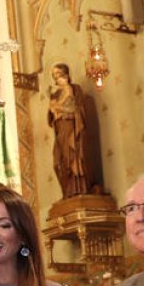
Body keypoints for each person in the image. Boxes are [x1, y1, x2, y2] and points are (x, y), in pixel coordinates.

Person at [47, 63, 102, 198]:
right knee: (59, 161)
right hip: (60, 129)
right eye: (54, 76)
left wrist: (59, 108)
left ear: (66, 75)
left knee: (74, 157)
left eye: (58, 74)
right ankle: (68, 190)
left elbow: (76, 108)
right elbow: (51, 115)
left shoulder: (75, 89)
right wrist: (54, 108)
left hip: (72, 126)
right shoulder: (55, 95)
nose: (56, 78)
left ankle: (80, 188)